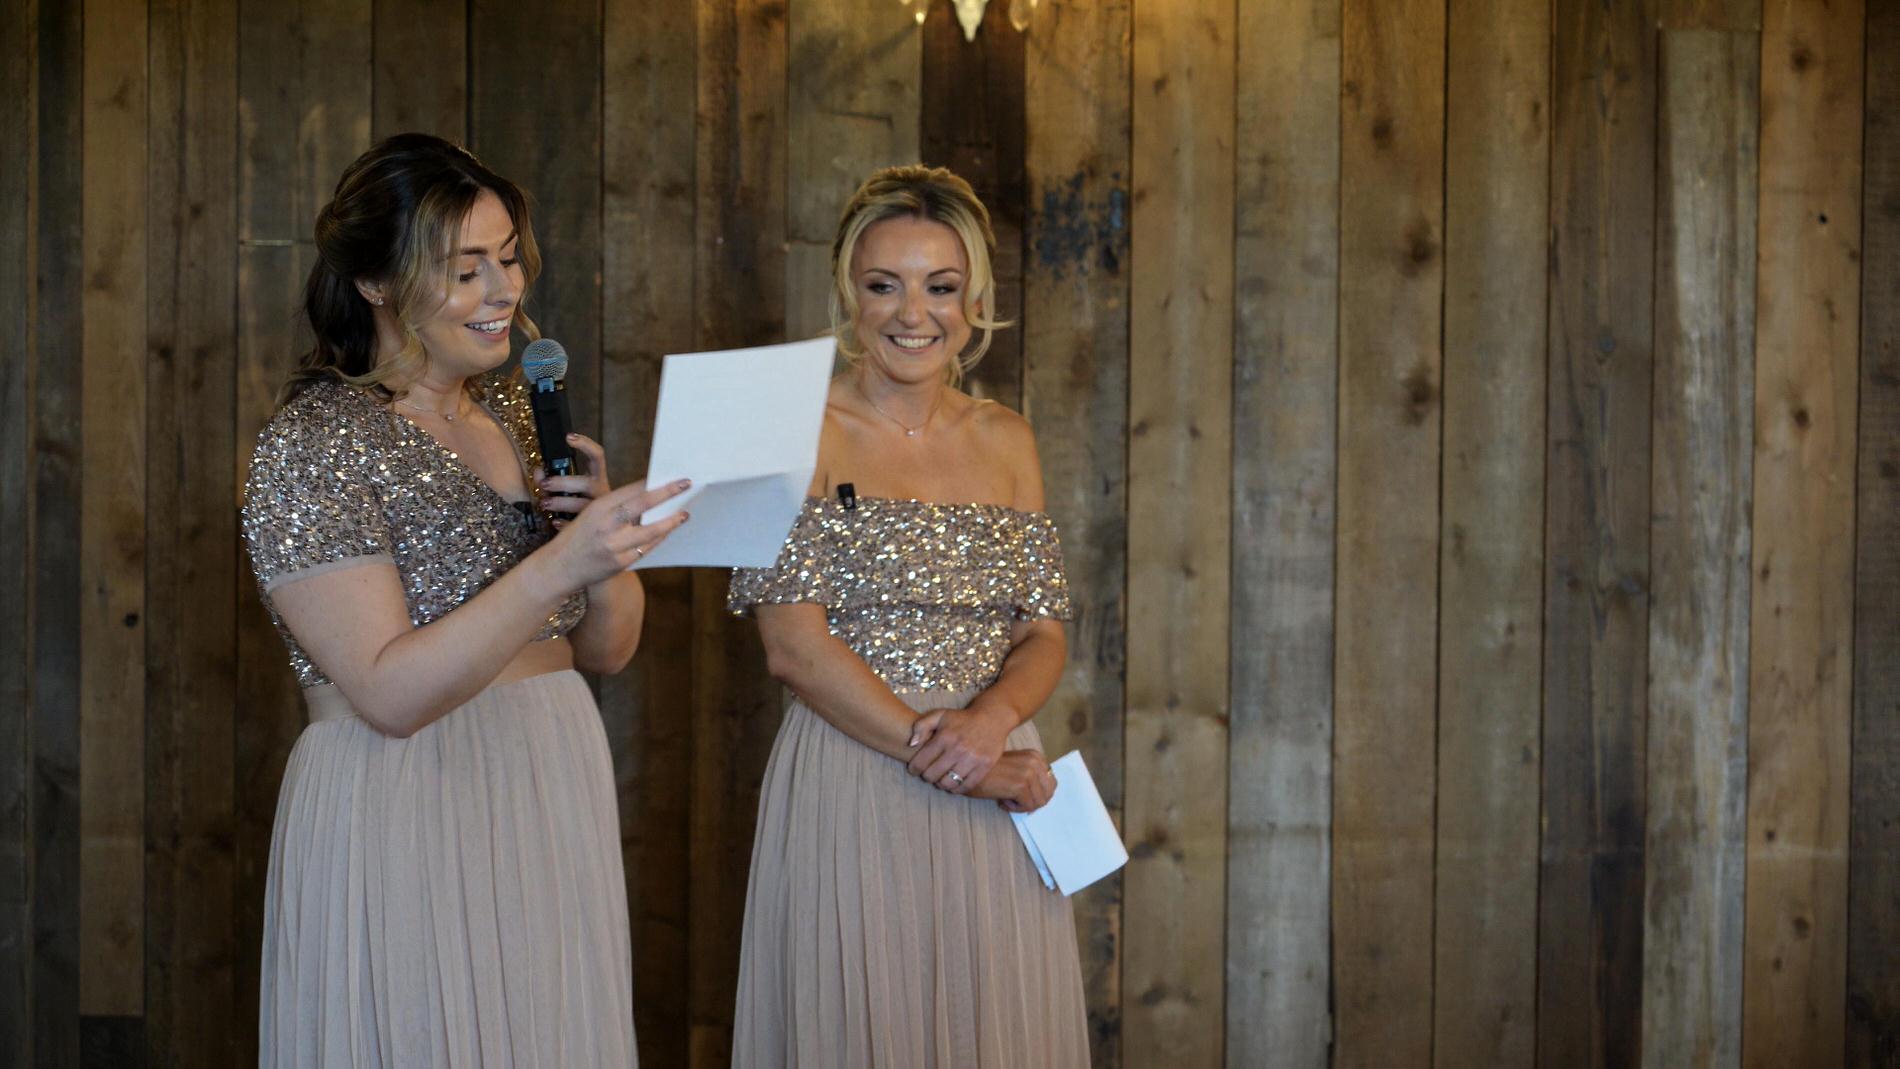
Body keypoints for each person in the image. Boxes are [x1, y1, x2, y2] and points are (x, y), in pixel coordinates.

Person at [241, 133, 684, 1065]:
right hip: (405, 794)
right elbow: (389, 693)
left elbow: (606, 649)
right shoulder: (316, 442)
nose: (502, 291)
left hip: (548, 774)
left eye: (508, 259)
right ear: (375, 281)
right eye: (463, 268)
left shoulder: (519, 414)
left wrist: (600, 548)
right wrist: (557, 567)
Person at [728, 164, 1089, 1067]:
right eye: (884, 285)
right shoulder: (778, 423)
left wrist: (992, 727)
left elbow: (1043, 633)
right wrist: (965, 762)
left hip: (1001, 772)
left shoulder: (1008, 438)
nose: (913, 313)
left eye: (941, 286)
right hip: (855, 771)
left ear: (976, 302)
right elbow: (792, 647)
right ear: (848, 293)